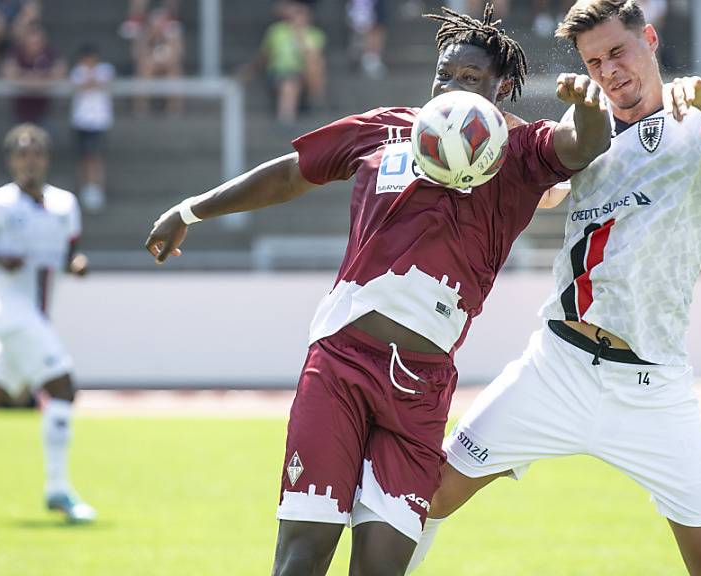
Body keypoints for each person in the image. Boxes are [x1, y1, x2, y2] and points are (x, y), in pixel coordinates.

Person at [144, 5, 610, 574]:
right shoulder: (386, 129)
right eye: (445, 75)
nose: (452, 87)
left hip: (420, 389)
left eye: (471, 79)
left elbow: (582, 144)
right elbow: (293, 172)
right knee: (301, 558)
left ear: (504, 87)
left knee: (381, 569)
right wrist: (190, 210)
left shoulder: (518, 156)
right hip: (338, 365)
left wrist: (589, 107)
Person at [405, 1, 701, 574]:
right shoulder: (584, 134)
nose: (608, 70)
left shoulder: (697, 125)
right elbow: (544, 190)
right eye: (594, 61)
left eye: (617, 52)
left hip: (653, 383)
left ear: (649, 39)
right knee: (424, 497)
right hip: (557, 367)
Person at [0, 123, 95, 524]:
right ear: (11, 160)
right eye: (22, 153)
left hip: (37, 317)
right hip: (13, 314)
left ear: (46, 159)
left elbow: (69, 256)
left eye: (36, 153)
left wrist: (77, 266)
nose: (29, 161)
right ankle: (58, 490)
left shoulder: (65, 205)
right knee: (62, 386)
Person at [241, 0, 327, 125]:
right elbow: (265, 56)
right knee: (290, 83)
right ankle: (286, 118)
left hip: (306, 74)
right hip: (280, 74)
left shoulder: (315, 34)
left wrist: (300, 38)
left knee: (314, 64)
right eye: (297, 13)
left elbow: (315, 58)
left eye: (302, 13)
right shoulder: (277, 31)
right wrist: (251, 70)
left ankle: (315, 98)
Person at [70, 44, 116, 213]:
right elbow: (82, 85)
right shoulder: (78, 71)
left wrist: (91, 81)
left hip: (99, 122)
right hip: (81, 121)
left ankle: (97, 189)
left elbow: (103, 84)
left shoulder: (105, 69)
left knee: (96, 157)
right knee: (83, 157)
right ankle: (85, 188)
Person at [1, 26, 67, 126]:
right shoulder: (16, 52)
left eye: (37, 43)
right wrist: (39, 77)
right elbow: (8, 72)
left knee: (44, 140)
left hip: (43, 111)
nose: (34, 46)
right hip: (20, 112)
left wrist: (25, 76)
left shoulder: (50, 53)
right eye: (31, 43)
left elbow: (60, 71)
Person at [133, 8, 184, 116]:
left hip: (168, 66)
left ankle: (173, 108)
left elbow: (177, 54)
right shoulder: (145, 34)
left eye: (161, 23)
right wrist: (150, 37)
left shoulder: (173, 34)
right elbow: (138, 54)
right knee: (144, 71)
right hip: (150, 66)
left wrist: (166, 38)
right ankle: (142, 107)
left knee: (174, 73)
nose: (158, 26)